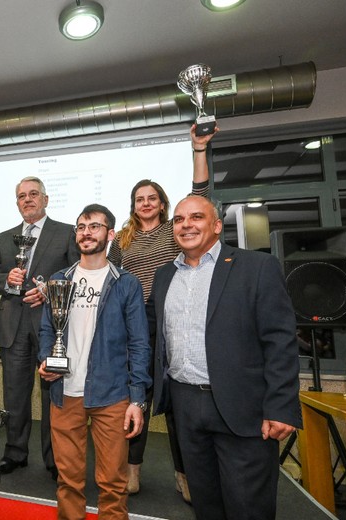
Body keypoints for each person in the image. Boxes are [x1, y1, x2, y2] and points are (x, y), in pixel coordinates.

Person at [148, 195, 301, 520]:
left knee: (248, 507)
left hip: (244, 407)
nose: (186, 225)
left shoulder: (256, 267)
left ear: (217, 225)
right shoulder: (164, 276)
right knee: (205, 504)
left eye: (196, 217)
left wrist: (281, 406)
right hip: (185, 406)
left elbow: (280, 340)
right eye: (179, 219)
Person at [106, 123, 217, 498]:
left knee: (174, 403)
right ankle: (131, 471)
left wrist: (198, 150)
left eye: (152, 197)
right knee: (135, 398)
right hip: (134, 322)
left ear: (162, 203)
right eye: (140, 199)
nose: (146, 203)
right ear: (133, 205)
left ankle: (185, 476)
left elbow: (200, 194)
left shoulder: (175, 229)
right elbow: (109, 278)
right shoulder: (123, 238)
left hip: (171, 319)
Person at [38, 204, 151, 520]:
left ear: (110, 234)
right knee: (68, 481)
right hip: (65, 393)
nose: (86, 233)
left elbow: (139, 344)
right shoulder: (59, 279)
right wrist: (45, 359)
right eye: (81, 227)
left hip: (111, 395)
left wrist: (137, 399)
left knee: (113, 483)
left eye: (94, 226)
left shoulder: (125, 283)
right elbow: (47, 330)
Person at [0, 176, 78, 480]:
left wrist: (49, 290)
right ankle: (15, 453)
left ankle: (54, 458)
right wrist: (6, 280)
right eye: (22, 196)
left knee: (53, 394)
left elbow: (77, 274)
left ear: (45, 199)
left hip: (52, 326)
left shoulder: (66, 233)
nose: (27, 199)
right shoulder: (4, 237)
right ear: (17, 202)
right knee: (14, 394)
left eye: (33, 194)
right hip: (12, 325)